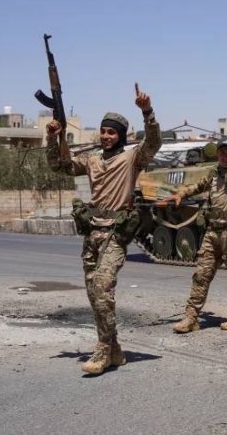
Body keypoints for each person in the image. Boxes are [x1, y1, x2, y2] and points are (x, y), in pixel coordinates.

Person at [46, 83, 161, 375]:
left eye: (112, 132)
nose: (106, 136)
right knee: (93, 293)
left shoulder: (132, 157)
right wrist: (53, 137)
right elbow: (60, 166)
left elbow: (153, 143)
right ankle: (115, 349)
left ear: (120, 135)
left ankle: (102, 349)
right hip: (92, 234)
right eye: (103, 131)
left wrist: (147, 112)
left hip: (115, 235)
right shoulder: (92, 160)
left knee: (102, 288)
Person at [168, 107, 227, 333]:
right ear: (217, 154)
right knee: (201, 275)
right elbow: (197, 186)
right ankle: (191, 317)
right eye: (222, 152)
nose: (225, 156)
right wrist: (181, 194)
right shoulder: (213, 174)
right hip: (212, 232)